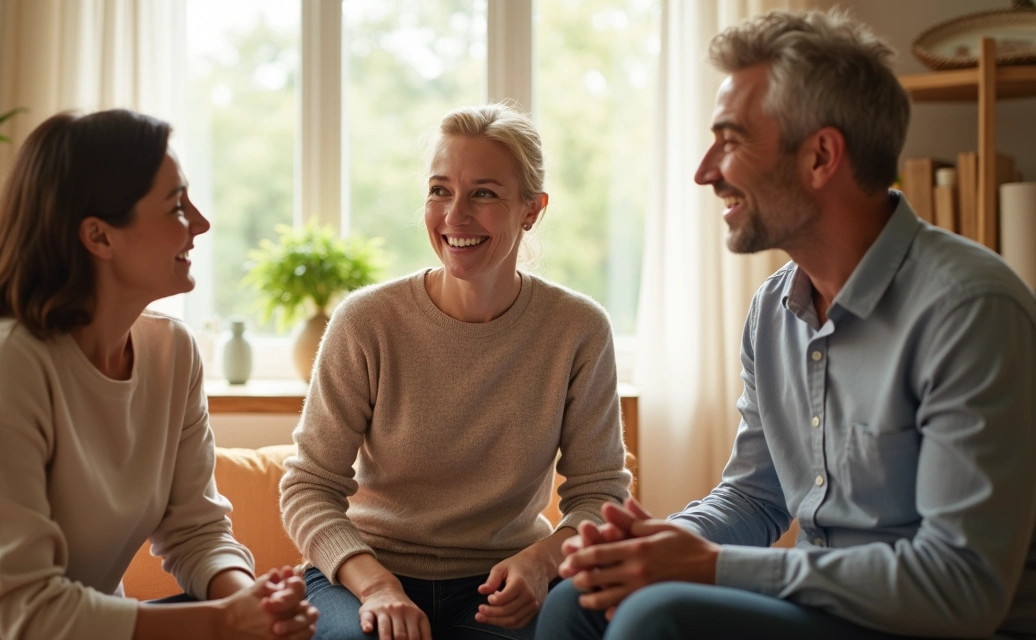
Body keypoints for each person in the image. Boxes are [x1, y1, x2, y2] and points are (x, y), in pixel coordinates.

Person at [537, 8, 1036, 640]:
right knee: (576, 600)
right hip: (825, 604)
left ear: (821, 155)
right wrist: (663, 543)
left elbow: (960, 586)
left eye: (732, 140)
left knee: (657, 617)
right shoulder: (774, 310)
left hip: (934, 622)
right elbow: (755, 496)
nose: (705, 171)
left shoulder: (970, 310)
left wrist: (710, 568)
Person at [0, 109, 318, 640]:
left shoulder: (172, 353)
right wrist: (220, 623)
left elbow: (195, 529)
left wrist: (249, 602)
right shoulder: (3, 364)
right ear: (99, 236)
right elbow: (28, 611)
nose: (200, 223)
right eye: (176, 205)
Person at [279, 103, 633, 640]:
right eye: (440, 190)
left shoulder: (577, 329)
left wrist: (542, 562)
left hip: (501, 580)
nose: (455, 216)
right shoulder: (367, 321)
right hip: (365, 572)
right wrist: (374, 584)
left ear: (531, 210)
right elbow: (307, 486)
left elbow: (600, 491)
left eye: (484, 193)